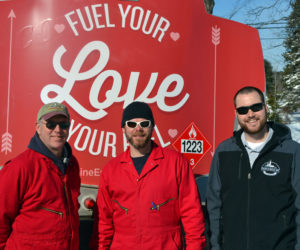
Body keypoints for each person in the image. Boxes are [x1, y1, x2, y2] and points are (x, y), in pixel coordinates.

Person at [90, 101, 206, 250]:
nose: (138, 129)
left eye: (144, 123)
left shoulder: (176, 163)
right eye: (131, 124)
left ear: (152, 127)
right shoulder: (111, 170)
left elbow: (193, 216)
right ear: (123, 129)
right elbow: (103, 224)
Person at [206, 86, 300, 250]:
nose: (250, 114)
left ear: (265, 107)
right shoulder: (224, 151)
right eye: (243, 110)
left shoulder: (292, 151)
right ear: (236, 114)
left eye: (255, 107)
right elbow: (214, 206)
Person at [0, 102, 81, 250]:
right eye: (50, 124)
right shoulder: (20, 167)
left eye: (63, 125)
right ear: (38, 128)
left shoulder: (72, 164)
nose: (58, 130)